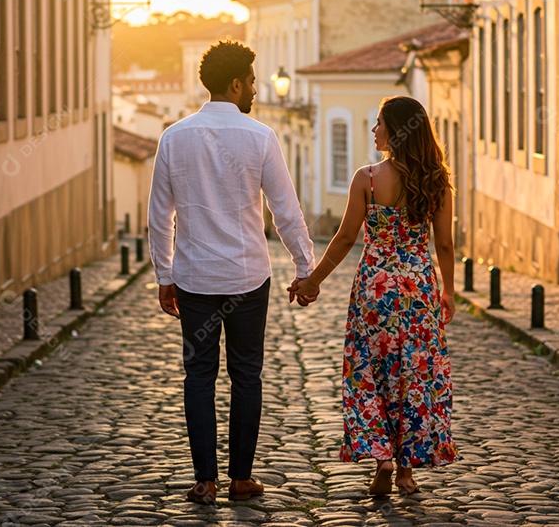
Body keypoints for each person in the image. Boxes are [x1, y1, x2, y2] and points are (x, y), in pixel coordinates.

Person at [147, 40, 316, 505]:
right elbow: (285, 210)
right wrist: (306, 269)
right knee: (247, 375)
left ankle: (205, 480)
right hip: (246, 279)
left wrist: (165, 275)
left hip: (195, 278)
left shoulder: (174, 136)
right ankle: (241, 478)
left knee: (198, 376)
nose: (256, 90)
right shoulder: (260, 137)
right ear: (237, 83)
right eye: (252, 81)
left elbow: (159, 215)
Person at [290, 95, 460, 496]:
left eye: (379, 122)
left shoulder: (366, 178)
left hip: (375, 289)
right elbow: (446, 245)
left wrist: (313, 281)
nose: (374, 130)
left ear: (397, 130)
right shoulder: (437, 182)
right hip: (418, 288)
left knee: (371, 371)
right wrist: (448, 292)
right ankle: (405, 471)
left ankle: (382, 454)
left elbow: (346, 237)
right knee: (414, 375)